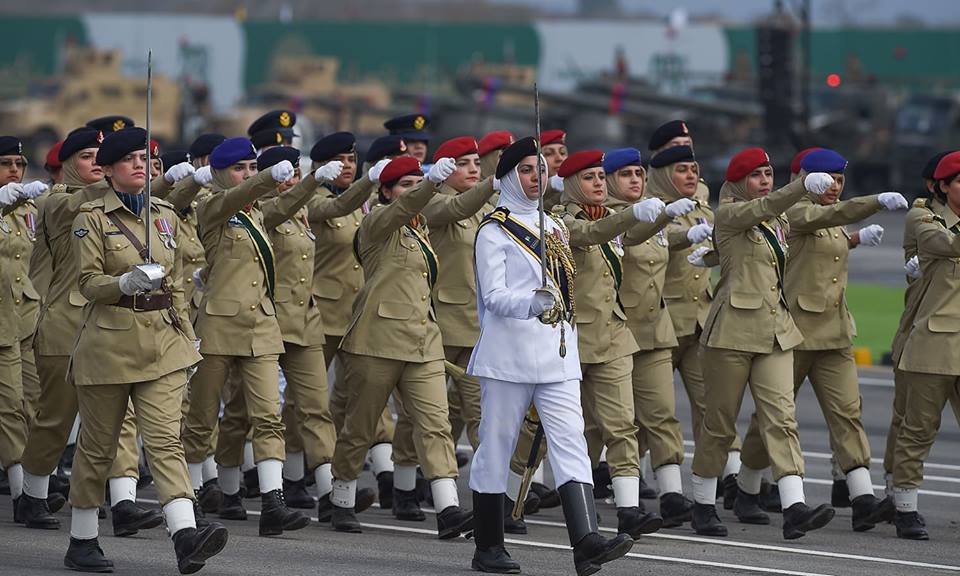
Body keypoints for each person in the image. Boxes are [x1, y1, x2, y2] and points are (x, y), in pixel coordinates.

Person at [63, 126, 228, 573]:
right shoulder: (91, 218)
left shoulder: (164, 214)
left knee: (164, 441)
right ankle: (82, 539)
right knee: (98, 448)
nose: (141, 165)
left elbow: (173, 281)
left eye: (146, 158)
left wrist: (184, 329)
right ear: (109, 171)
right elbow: (85, 283)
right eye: (131, 159)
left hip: (162, 343)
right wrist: (121, 282)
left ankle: (185, 535)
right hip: (109, 344)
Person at [468, 137, 634, 576]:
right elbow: (494, 295)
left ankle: (586, 542)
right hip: (508, 355)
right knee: (498, 446)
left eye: (540, 169)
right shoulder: (493, 230)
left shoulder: (554, 226)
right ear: (506, 177)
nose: (535, 177)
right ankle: (488, 546)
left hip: (556, 352)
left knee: (570, 442)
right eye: (525, 169)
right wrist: (531, 301)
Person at [735, 148, 904, 531]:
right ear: (803, 180)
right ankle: (746, 487)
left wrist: (855, 240)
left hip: (834, 331)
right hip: (794, 332)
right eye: (826, 179)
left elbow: (825, 242)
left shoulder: (828, 216)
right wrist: (874, 202)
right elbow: (821, 219)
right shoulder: (793, 211)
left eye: (840, 180)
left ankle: (862, 497)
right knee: (773, 417)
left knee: (847, 413)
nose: (835, 187)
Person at [690, 147, 836, 539]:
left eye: (769, 174)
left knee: (782, 419)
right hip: (732, 332)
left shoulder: (777, 219)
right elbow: (762, 208)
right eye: (756, 175)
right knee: (719, 425)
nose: (766, 181)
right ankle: (703, 503)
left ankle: (794, 507)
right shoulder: (731, 213)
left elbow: (799, 213)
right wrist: (801, 185)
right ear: (738, 183)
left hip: (775, 330)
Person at [18, 128, 157, 535]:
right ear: (64, 166)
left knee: (121, 419)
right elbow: (81, 200)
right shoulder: (55, 201)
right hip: (63, 325)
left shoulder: (118, 204)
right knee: (56, 420)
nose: (95, 162)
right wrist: (129, 179)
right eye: (85, 156)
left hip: (109, 325)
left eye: (101, 155)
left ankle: (125, 502)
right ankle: (34, 493)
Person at [329, 155, 473, 539]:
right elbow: (406, 206)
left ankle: (448, 508)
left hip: (423, 341)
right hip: (376, 341)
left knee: (435, 425)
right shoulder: (376, 222)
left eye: (416, 183)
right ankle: (340, 497)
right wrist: (428, 184)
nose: (413, 191)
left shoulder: (419, 228)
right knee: (360, 427)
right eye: (404, 185)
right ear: (387, 192)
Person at [179, 137, 310, 537]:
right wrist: (269, 176)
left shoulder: (257, 213)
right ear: (220, 174)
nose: (248, 176)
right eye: (240, 169)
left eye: (253, 168)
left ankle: (273, 503)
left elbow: (285, 204)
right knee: (202, 420)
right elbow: (241, 196)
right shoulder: (213, 207)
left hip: (261, 328)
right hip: (218, 327)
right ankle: (192, 499)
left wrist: (315, 179)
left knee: (269, 416)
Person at [392, 136, 495, 520]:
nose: (473, 169)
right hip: (434, 323)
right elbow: (452, 210)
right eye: (464, 163)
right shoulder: (432, 203)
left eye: (476, 163)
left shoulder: (486, 207)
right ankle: (404, 484)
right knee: (418, 414)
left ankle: (490, 495)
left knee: (479, 413)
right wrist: (490, 185)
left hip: (476, 325)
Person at [605, 147, 697, 528]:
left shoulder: (653, 211)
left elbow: (667, 238)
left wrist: (690, 232)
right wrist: (659, 219)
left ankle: (671, 493)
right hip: (613, 333)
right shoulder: (604, 216)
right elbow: (629, 233)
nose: (635, 180)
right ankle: (530, 486)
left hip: (655, 330)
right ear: (608, 179)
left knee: (661, 415)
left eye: (638, 174)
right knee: (604, 423)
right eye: (625, 174)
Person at [306, 132, 389, 510]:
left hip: (360, 313)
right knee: (309, 402)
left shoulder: (362, 205)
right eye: (340, 161)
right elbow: (335, 212)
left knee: (354, 399)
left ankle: (360, 476)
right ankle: (307, 478)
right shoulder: (315, 201)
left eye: (352, 161)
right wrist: (369, 182)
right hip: (322, 313)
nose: (348, 168)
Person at [892, 150, 960, 540]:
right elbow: (946, 244)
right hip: (933, 344)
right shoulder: (924, 218)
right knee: (917, 431)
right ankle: (905, 508)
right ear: (943, 186)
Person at [0, 136, 48, 521]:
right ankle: (23, 497)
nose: (14, 170)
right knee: (10, 407)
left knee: (34, 402)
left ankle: (35, 487)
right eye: (6, 163)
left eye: (19, 163)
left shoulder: (26, 208)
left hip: (25, 319)